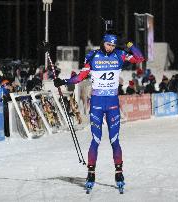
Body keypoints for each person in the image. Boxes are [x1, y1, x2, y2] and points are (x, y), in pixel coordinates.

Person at [53, 32, 144, 189]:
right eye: (109, 45)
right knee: (96, 139)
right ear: (103, 43)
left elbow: (140, 58)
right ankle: (90, 173)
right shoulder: (93, 56)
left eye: (113, 45)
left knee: (114, 140)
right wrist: (64, 81)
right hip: (96, 103)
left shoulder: (120, 55)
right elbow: (80, 77)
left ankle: (119, 172)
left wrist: (128, 43)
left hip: (113, 104)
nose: (110, 48)